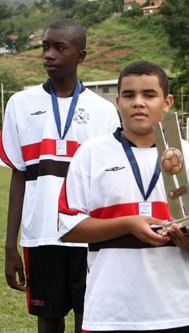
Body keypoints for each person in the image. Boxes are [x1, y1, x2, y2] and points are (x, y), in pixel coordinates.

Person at [58, 60, 189, 332]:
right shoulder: (90, 154)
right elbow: (69, 228)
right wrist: (128, 224)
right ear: (118, 101)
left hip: (175, 310)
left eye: (149, 95)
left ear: (167, 102)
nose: (138, 102)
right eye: (129, 95)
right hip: (109, 309)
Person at [0, 18, 120, 332]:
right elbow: (19, 176)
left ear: (80, 55)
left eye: (58, 48)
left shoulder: (103, 110)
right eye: (45, 47)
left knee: (88, 319)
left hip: (87, 235)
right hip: (41, 236)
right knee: (48, 320)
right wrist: (10, 246)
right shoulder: (20, 104)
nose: (48, 55)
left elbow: (109, 181)